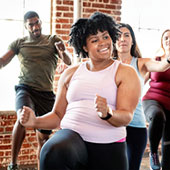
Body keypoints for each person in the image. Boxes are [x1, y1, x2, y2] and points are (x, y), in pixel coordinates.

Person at [19, 12, 141, 170]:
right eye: (95, 40)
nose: (103, 43)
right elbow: (57, 115)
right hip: (72, 139)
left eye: (106, 37)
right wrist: (35, 121)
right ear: (84, 46)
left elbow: (126, 116)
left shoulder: (125, 72)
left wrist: (108, 113)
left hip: (108, 146)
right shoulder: (70, 73)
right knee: (51, 151)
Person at [0, 11, 72, 170]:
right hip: (25, 88)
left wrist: (63, 51)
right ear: (26, 26)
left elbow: (68, 61)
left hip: (46, 93)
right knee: (23, 117)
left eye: (37, 22)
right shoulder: (19, 43)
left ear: (41, 22)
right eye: (31, 24)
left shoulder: (52, 40)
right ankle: (13, 164)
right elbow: (3, 61)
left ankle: (42, 167)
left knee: (44, 138)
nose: (35, 26)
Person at [113, 23, 170, 170]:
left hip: (135, 127)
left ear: (132, 41)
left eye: (127, 35)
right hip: (112, 124)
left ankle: (154, 155)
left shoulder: (141, 63)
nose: (123, 39)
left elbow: (161, 66)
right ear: (113, 40)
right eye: (118, 35)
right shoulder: (107, 64)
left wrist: (168, 58)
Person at [142, 29, 170, 170]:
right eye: (166, 38)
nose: (169, 40)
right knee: (157, 115)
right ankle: (153, 153)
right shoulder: (156, 60)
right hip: (152, 100)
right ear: (162, 42)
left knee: (168, 146)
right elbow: (140, 80)